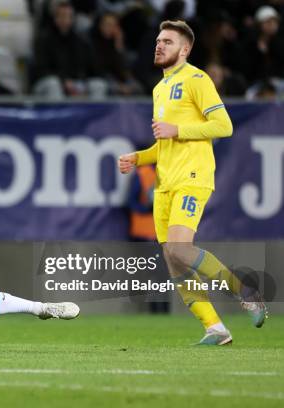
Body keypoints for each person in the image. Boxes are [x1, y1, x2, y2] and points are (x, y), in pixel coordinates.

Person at [118, 20, 267, 345]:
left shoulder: (197, 80)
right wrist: (139, 157)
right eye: (158, 40)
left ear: (184, 49)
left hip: (193, 176)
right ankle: (215, 327)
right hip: (165, 183)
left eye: (168, 41)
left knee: (180, 249)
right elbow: (166, 143)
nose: (159, 45)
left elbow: (224, 125)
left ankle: (244, 289)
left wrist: (179, 130)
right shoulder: (160, 88)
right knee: (173, 258)